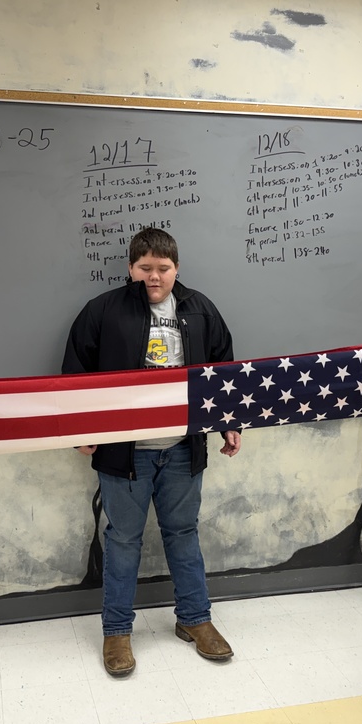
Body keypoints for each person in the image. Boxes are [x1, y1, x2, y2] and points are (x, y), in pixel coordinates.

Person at [62, 226, 241, 676]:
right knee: (123, 539)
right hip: (125, 453)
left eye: (162, 269)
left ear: (176, 268)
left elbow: (224, 368)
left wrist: (228, 421)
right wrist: (82, 430)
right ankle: (117, 632)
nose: (154, 277)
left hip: (184, 447)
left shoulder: (201, 309)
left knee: (184, 533)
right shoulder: (102, 310)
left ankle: (195, 621)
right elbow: (75, 372)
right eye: (145, 269)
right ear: (130, 267)